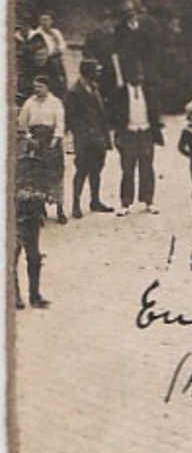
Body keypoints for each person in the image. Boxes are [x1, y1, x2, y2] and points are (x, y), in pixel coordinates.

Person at [108, 67, 162, 217]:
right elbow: (112, 114)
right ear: (127, 76)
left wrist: (155, 129)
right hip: (128, 135)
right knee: (127, 169)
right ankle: (125, 203)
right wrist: (119, 131)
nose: (139, 78)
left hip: (145, 134)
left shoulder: (150, 92)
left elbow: (156, 111)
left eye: (141, 74)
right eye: (135, 75)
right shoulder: (119, 94)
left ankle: (148, 201)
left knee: (147, 168)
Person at [65, 57, 113, 219]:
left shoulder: (94, 87)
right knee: (82, 170)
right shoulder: (74, 91)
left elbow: (101, 114)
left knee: (97, 170)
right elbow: (71, 118)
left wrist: (106, 138)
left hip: (98, 138)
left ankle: (95, 201)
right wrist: (87, 132)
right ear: (88, 72)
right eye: (96, 70)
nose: (99, 72)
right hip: (84, 139)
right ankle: (76, 204)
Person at [14, 124, 55, 309]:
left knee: (34, 257)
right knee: (11, 257)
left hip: (32, 214)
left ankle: (34, 295)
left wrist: (45, 196)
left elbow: (45, 184)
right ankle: (14, 297)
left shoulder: (38, 163)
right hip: (12, 215)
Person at [17, 76, 67, 224]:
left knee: (56, 175)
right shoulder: (29, 103)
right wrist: (29, 137)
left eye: (40, 86)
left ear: (47, 87)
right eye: (35, 86)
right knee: (37, 176)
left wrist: (55, 140)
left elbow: (60, 124)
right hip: (35, 141)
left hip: (52, 141)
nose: (37, 89)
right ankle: (40, 211)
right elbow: (22, 123)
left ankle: (60, 209)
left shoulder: (55, 102)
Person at [28, 12, 68, 97]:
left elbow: (63, 44)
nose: (44, 22)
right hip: (45, 63)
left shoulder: (56, 32)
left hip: (57, 61)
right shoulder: (36, 34)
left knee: (61, 82)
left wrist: (59, 50)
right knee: (47, 83)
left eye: (47, 20)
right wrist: (51, 52)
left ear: (51, 21)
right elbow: (41, 49)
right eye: (42, 20)